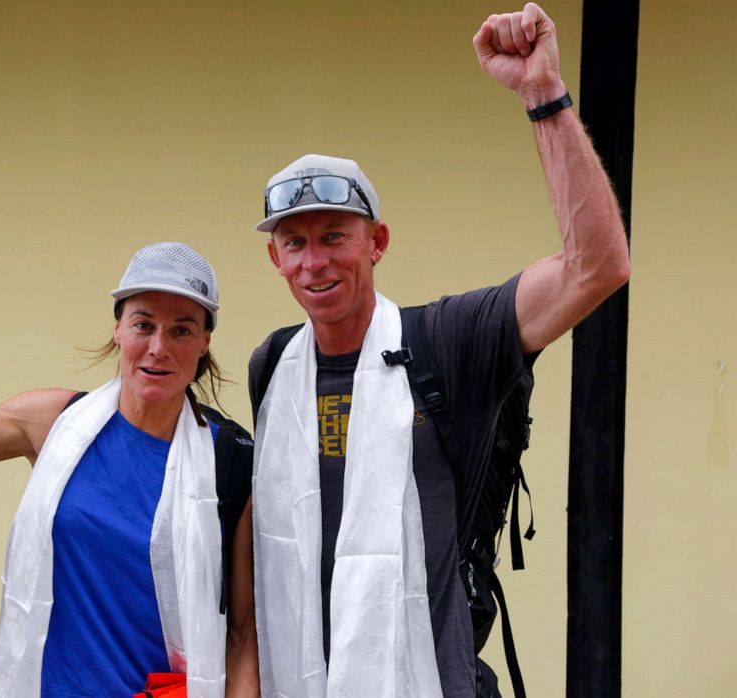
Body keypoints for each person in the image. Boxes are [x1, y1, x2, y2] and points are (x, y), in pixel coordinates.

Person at [246, 4, 630, 697]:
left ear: (377, 242)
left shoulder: (447, 341)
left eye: (335, 235)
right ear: (275, 259)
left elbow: (596, 266)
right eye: (294, 243)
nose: (313, 261)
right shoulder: (273, 367)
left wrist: (543, 94)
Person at [0, 242, 259, 698]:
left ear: (205, 342)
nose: (158, 348)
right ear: (118, 329)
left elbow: (244, 634)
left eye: (182, 331)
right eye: (143, 325)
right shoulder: (57, 424)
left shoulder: (229, 461)